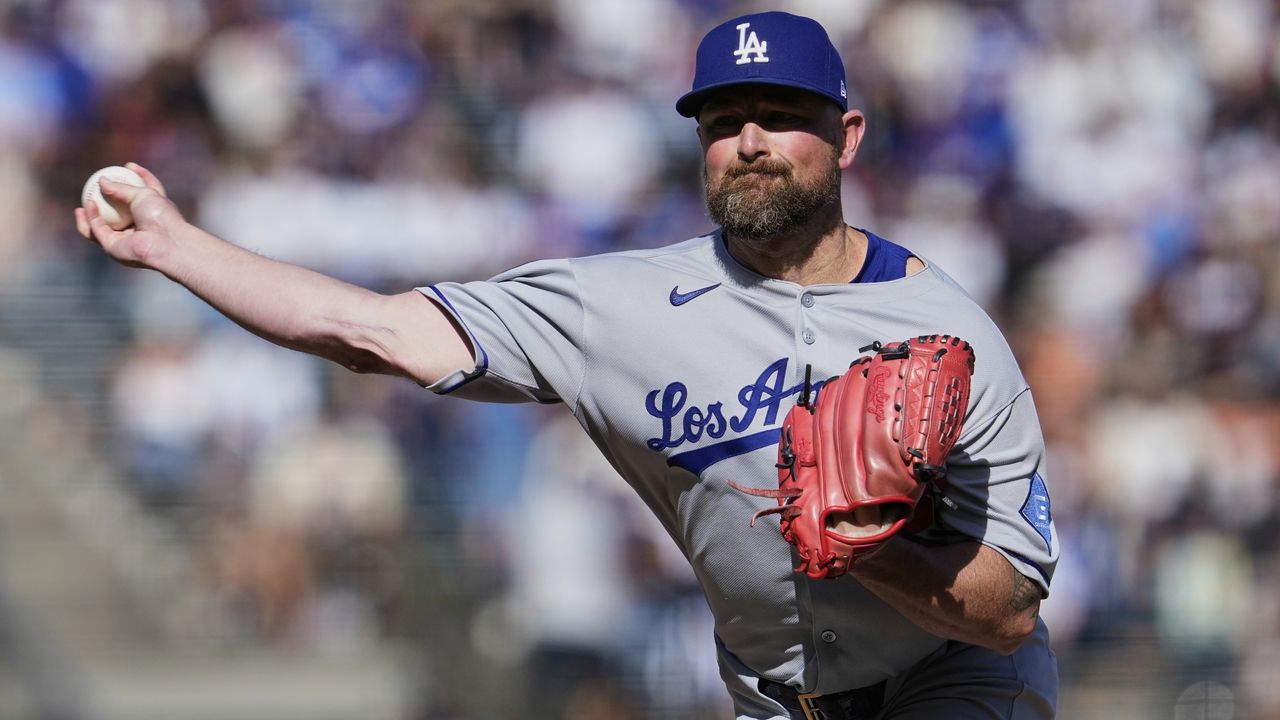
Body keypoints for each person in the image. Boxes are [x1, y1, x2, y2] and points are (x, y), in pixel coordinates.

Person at [75, 11, 1058, 720]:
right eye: (721, 122)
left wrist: (868, 544)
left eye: (779, 113)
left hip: (951, 682)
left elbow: (1007, 615)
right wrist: (175, 246)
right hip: (774, 697)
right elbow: (371, 330)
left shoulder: (948, 331)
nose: (749, 141)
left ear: (845, 136)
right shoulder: (615, 308)